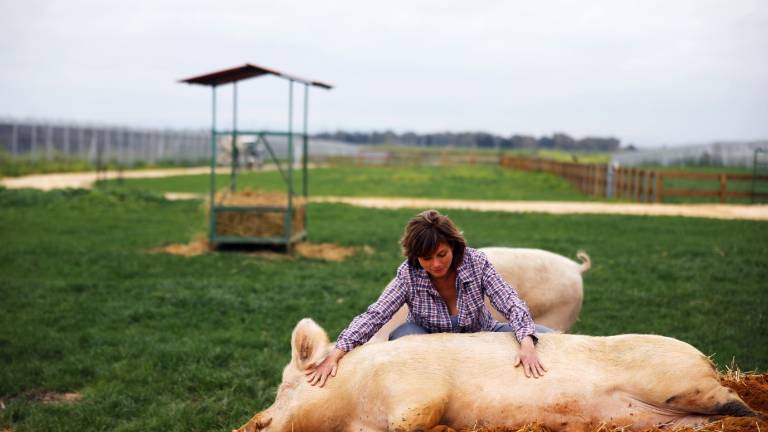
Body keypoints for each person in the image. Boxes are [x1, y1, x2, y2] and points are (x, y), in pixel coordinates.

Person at [306, 209, 547, 387]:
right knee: (403, 337)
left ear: (453, 246)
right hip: (426, 340)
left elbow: (510, 301)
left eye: (442, 254)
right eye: (426, 258)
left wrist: (526, 342)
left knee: (544, 335)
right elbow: (376, 314)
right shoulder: (408, 274)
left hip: (480, 333)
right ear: (416, 257)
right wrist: (336, 353)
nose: (436, 264)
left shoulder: (476, 262)